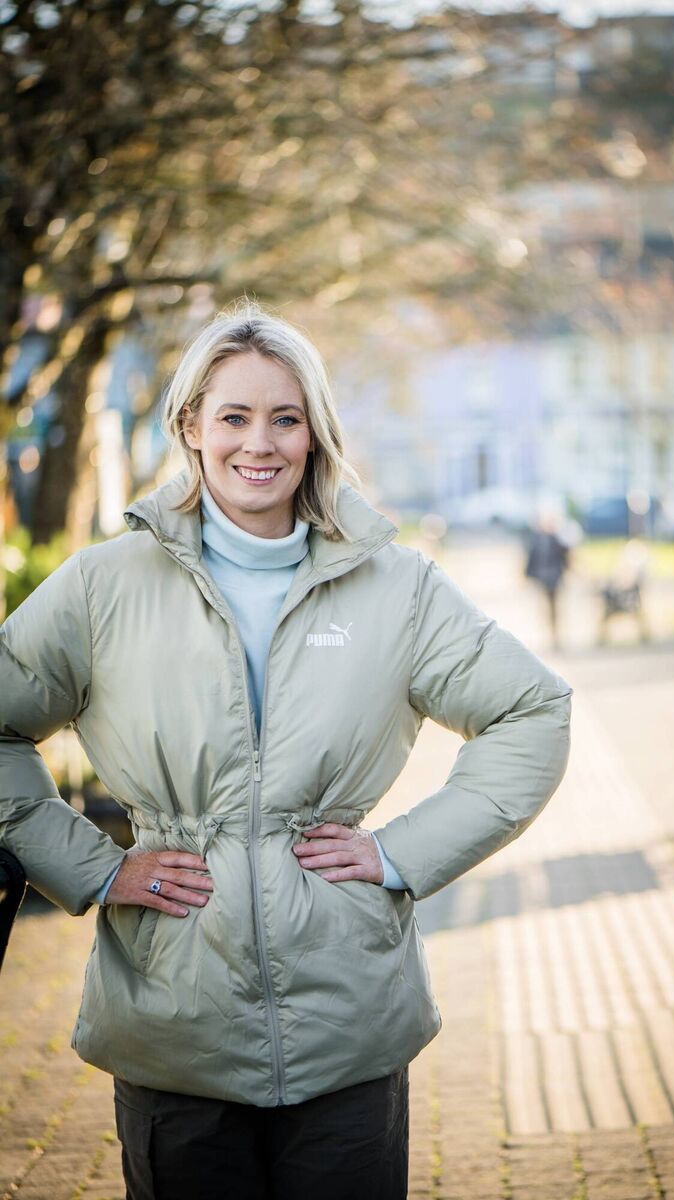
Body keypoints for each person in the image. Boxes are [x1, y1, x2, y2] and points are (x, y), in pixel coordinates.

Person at [0, 303, 573, 1200]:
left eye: (285, 417)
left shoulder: (399, 586)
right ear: (190, 426)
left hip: (348, 1028)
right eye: (232, 416)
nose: (257, 443)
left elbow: (534, 709)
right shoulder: (104, 587)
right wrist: (94, 868)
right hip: (173, 1022)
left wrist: (398, 855)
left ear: (315, 433)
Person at [523, 507, 571, 651]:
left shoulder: (557, 539)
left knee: (554, 607)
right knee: (544, 608)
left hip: (554, 578)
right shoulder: (537, 540)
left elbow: (565, 558)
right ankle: (548, 634)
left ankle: (555, 635)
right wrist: (527, 575)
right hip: (542, 578)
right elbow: (532, 558)